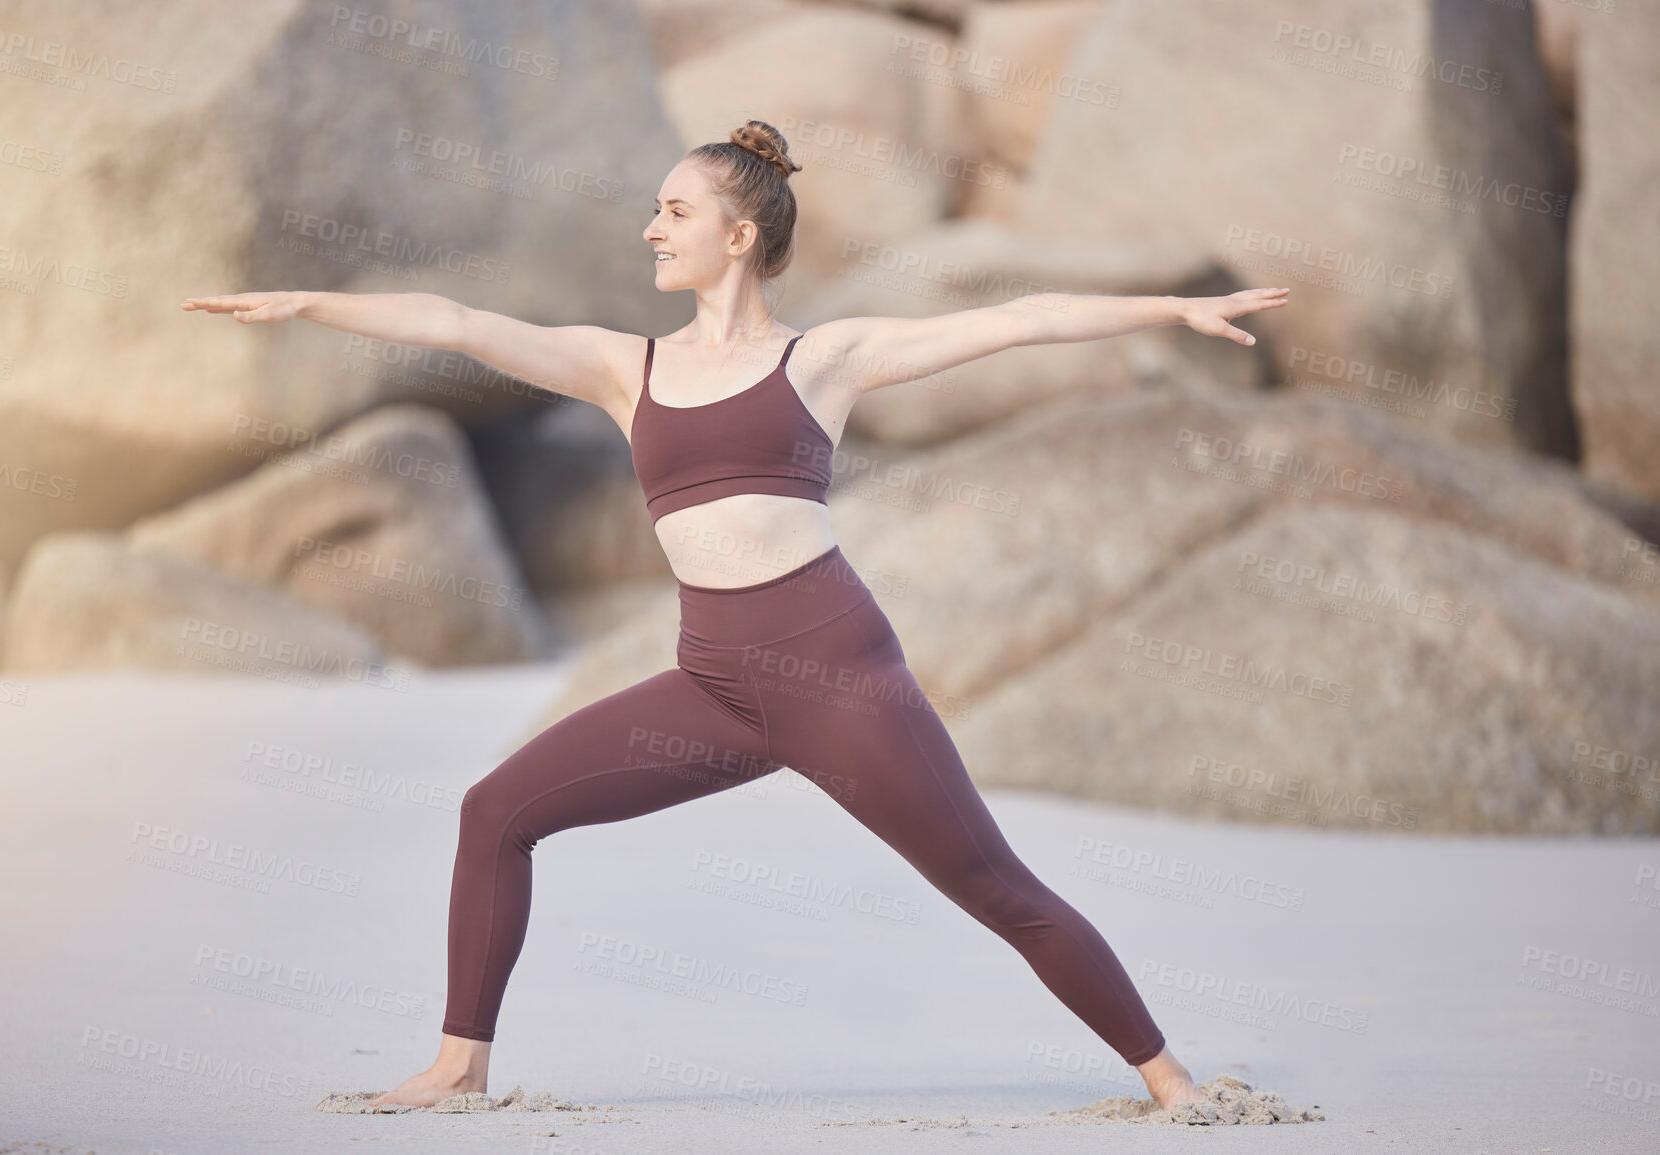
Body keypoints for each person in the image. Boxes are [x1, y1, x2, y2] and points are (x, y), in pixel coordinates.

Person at [183, 118, 1289, 1111]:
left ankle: (1169, 1079)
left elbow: (1024, 318)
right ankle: (459, 1065)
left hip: (836, 678)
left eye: (675, 211)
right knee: (497, 810)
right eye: (655, 210)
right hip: (710, 684)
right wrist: (309, 305)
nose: (652, 228)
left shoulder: (825, 358)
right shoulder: (627, 368)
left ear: (741, 236)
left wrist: (1173, 306)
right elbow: (459, 321)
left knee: (994, 887)